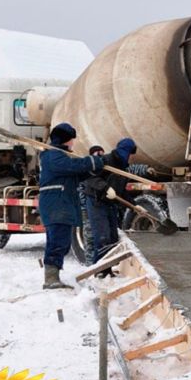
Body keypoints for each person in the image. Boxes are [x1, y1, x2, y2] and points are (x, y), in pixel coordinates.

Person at [39, 123, 103, 289]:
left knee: (61, 241)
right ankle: (51, 279)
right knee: (58, 242)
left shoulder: (59, 156)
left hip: (60, 204)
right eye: (72, 139)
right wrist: (91, 161)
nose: (73, 143)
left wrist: (94, 167)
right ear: (65, 139)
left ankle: (53, 276)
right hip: (56, 205)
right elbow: (73, 166)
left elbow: (75, 174)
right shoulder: (54, 156)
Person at [81, 138, 137, 276]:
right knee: (102, 237)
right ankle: (99, 270)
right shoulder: (105, 161)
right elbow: (90, 178)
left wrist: (136, 206)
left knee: (112, 237)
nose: (130, 157)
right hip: (96, 202)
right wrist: (105, 188)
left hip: (109, 204)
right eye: (130, 153)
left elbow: (122, 192)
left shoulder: (123, 168)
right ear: (124, 151)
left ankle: (107, 269)